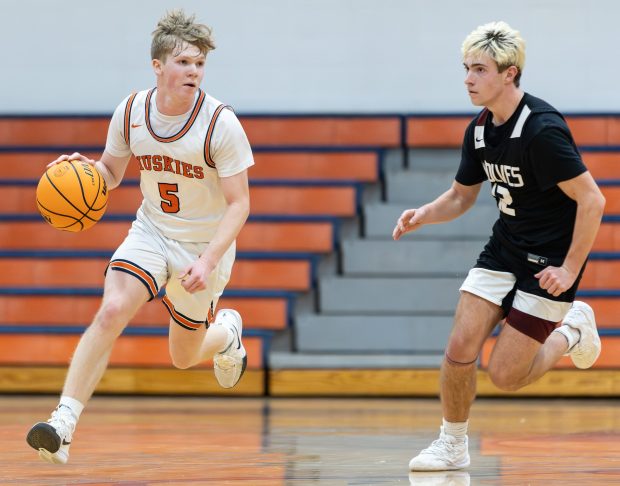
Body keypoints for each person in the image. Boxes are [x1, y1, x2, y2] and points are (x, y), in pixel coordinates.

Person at [26, 9, 254, 464]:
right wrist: (82, 171)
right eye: (184, 62)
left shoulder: (219, 124)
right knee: (111, 309)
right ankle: (63, 423)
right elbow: (110, 172)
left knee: (183, 357)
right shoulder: (131, 111)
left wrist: (207, 261)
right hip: (151, 230)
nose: (194, 71)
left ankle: (227, 333)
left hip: (202, 247)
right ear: (158, 65)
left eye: (200, 64)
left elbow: (240, 204)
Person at [393, 21, 605, 471]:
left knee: (505, 375)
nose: (468, 79)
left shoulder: (542, 131)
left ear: (509, 73)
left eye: (479, 69)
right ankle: (452, 444)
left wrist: (568, 270)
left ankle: (574, 329)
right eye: (466, 69)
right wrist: (423, 214)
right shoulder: (480, 130)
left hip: (549, 261)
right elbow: (460, 196)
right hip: (505, 248)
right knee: (460, 345)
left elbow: (593, 199)